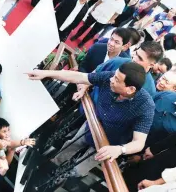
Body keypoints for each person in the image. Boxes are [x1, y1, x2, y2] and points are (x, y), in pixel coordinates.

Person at [27, 62, 155, 166]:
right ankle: (50, 166)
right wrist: (45, 73)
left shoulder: (145, 106)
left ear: (130, 89)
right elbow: (80, 77)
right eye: (114, 75)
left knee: (79, 169)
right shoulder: (109, 77)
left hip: (109, 144)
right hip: (92, 124)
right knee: (71, 145)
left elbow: (139, 142)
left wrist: (120, 149)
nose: (111, 79)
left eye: (116, 79)